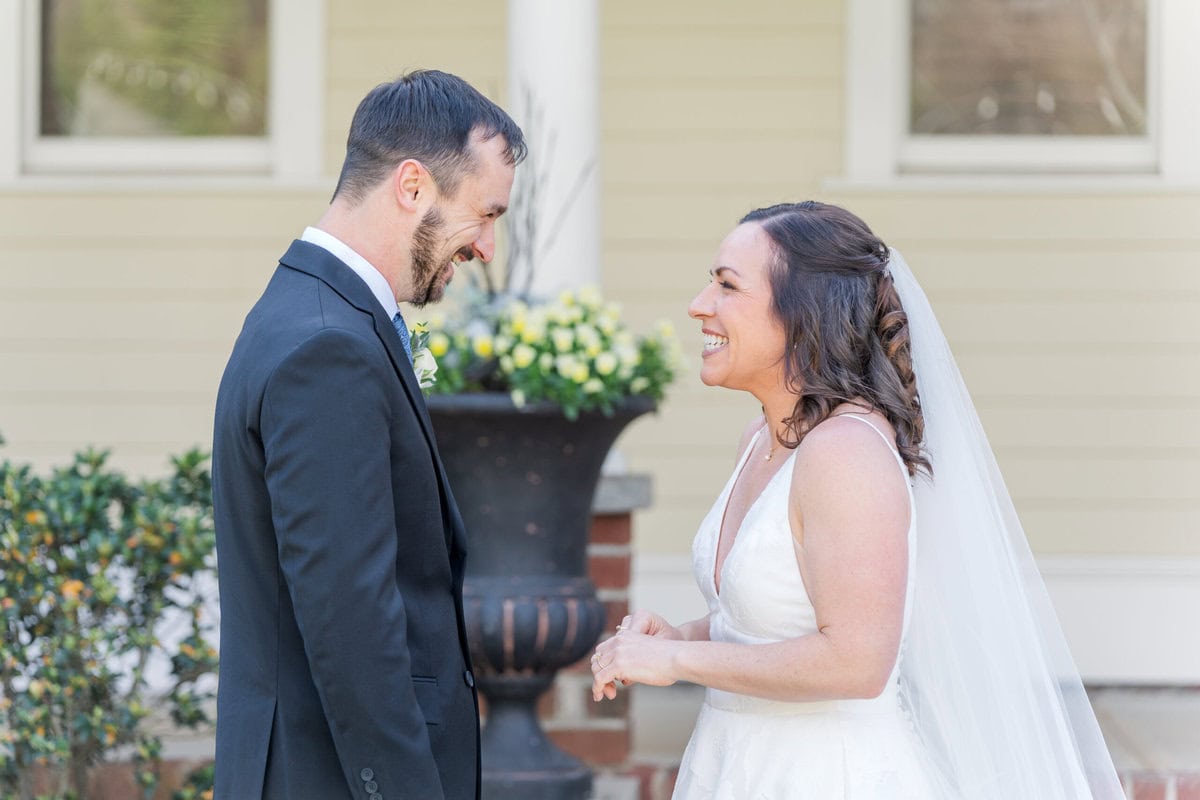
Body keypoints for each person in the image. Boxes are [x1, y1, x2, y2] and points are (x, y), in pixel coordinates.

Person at [590, 201, 1124, 799]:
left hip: (824, 774)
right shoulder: (762, 438)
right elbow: (777, 616)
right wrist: (681, 638)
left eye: (727, 285)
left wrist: (679, 666)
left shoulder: (845, 452)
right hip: (737, 764)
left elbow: (856, 660)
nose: (699, 305)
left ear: (803, 314)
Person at [211, 69, 525, 800]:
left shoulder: (309, 312)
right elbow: (353, 624)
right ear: (412, 186)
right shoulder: (329, 348)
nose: (484, 248)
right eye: (484, 214)